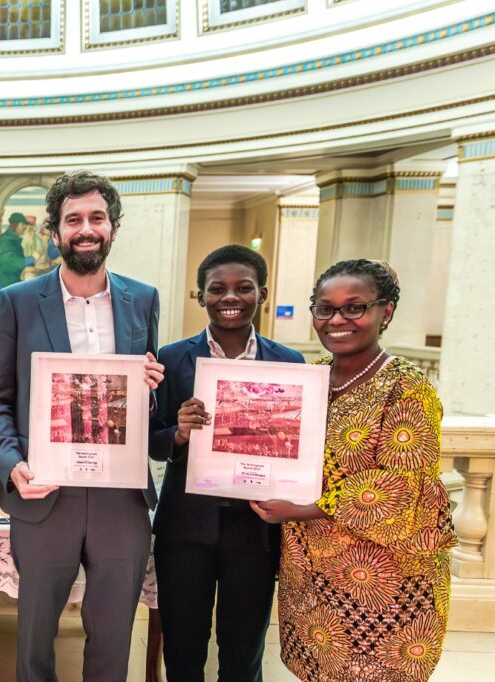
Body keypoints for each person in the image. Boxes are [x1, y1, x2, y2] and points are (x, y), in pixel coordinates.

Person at [0, 171, 164, 681]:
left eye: (96, 218)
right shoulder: (16, 300)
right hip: (44, 493)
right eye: (73, 219)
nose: (86, 229)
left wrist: (147, 389)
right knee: (36, 635)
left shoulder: (142, 299)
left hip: (119, 496)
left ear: (113, 228)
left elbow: (145, 408)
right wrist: (13, 467)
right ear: (53, 232)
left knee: (112, 634)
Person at [250, 259, 457, 681]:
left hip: (386, 581)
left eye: (354, 307)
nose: (337, 320)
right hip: (311, 576)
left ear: (387, 311)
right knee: (318, 668)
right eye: (325, 308)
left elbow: (400, 487)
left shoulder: (406, 385)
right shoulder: (310, 380)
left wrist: (299, 510)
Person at [150, 245, 304, 682]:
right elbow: (154, 440)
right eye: (217, 289)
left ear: (264, 294)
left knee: (243, 650)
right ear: (200, 297)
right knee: (183, 648)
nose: (229, 297)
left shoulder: (289, 363)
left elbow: (299, 444)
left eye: (243, 288)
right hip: (185, 527)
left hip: (255, 530)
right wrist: (178, 433)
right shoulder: (172, 357)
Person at [0, 211, 36, 287]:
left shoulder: (13, 238)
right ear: (15, 225)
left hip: (12, 280)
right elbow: (8, 262)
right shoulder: (5, 240)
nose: (25, 227)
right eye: (23, 224)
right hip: (4, 281)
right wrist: (30, 259)